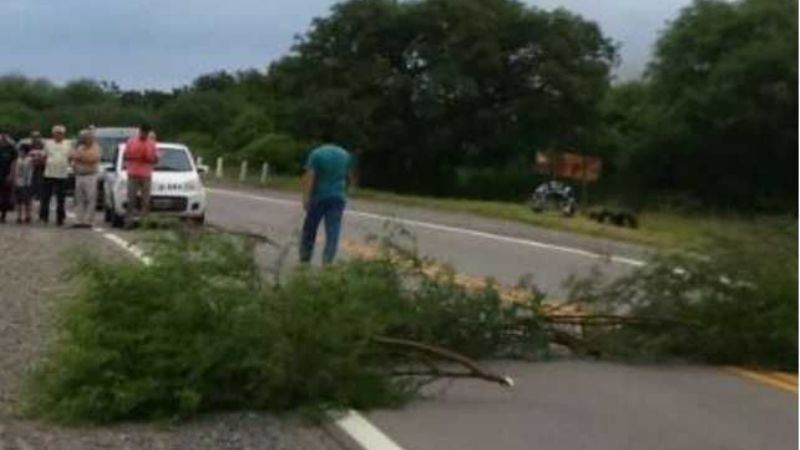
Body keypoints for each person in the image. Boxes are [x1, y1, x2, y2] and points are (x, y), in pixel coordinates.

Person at [299, 143, 353, 264]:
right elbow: (348, 176)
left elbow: (310, 177)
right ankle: (327, 262)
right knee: (333, 231)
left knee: (310, 229)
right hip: (337, 197)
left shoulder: (316, 155)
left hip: (319, 197)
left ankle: (305, 259)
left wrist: (306, 197)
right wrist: (345, 192)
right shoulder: (345, 155)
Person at [123, 124, 159, 226]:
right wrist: (135, 157)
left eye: (146, 133)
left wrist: (149, 159)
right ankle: (128, 221)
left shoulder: (151, 144)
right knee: (131, 199)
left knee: (145, 200)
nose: (144, 135)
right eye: (143, 132)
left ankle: (144, 222)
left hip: (146, 174)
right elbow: (126, 156)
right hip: (133, 173)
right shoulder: (131, 141)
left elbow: (156, 159)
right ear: (140, 132)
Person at [40, 125, 72, 226]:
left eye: (61, 133)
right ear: (53, 134)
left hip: (62, 174)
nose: (58, 135)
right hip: (49, 173)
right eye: (57, 133)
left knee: (61, 198)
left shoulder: (68, 144)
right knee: (46, 197)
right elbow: (44, 156)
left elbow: (70, 157)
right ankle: (44, 217)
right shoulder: (48, 143)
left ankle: (60, 218)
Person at [69, 130, 101, 228]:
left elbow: (92, 158)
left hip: (90, 175)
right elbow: (72, 156)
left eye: (85, 137)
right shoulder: (79, 147)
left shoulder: (95, 147)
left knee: (90, 198)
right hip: (79, 175)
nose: (83, 140)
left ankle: (88, 221)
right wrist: (79, 157)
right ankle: (78, 220)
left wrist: (80, 157)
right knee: (79, 199)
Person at [14, 143, 34, 224]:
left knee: (27, 201)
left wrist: (28, 182)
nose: (20, 152)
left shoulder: (29, 160)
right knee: (18, 201)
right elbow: (16, 171)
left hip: (26, 182)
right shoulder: (18, 159)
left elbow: (30, 172)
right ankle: (19, 216)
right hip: (18, 182)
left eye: (21, 151)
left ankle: (28, 216)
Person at [0, 134, 17, 223]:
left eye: (4, 138)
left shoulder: (11, 149)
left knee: (5, 196)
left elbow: (14, 163)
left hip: (6, 175)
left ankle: (3, 215)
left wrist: (11, 174)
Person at [28, 130, 46, 200]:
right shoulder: (29, 146)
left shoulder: (43, 145)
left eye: (37, 137)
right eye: (33, 137)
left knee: (40, 181)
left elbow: (45, 155)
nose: (35, 138)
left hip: (41, 167)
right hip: (30, 167)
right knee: (31, 181)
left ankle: (39, 195)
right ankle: (31, 194)